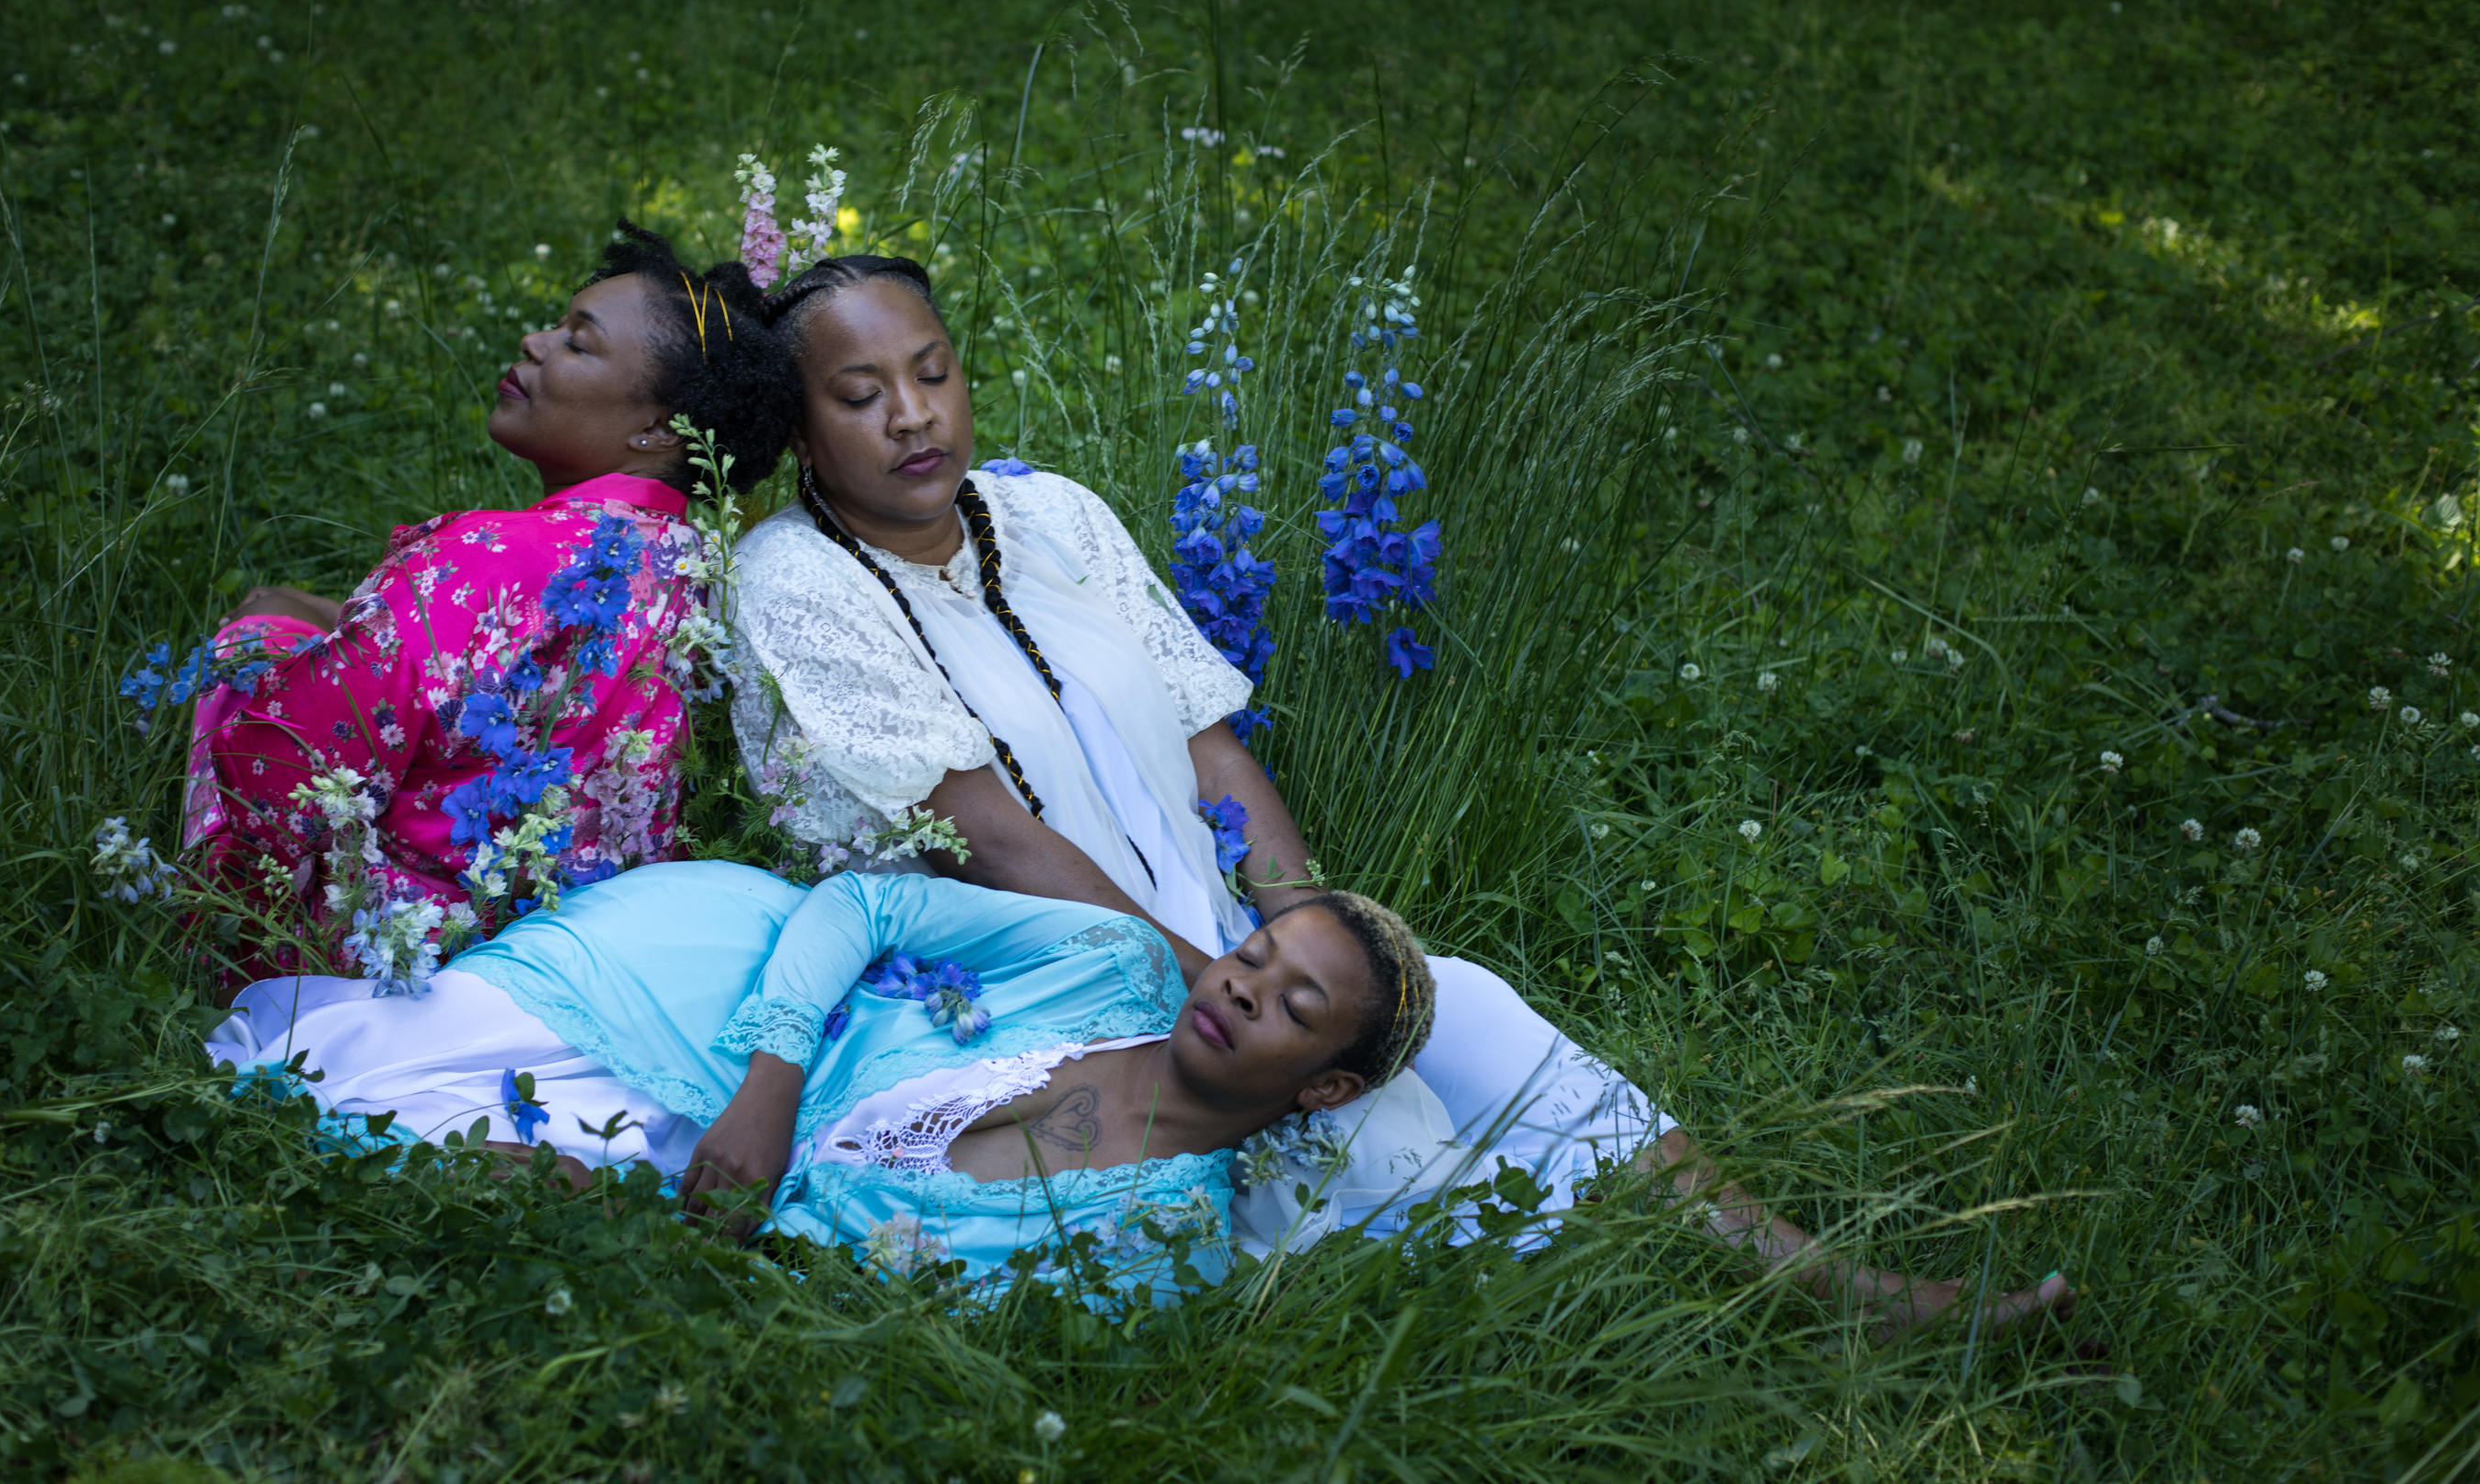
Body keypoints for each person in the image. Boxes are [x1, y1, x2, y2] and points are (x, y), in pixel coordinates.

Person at [717, 254, 2073, 1331]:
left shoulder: (1053, 514)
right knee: (1369, 1165)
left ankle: (1810, 1275)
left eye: (934, 372)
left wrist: (1309, 934)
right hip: (1029, 993)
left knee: (1460, 1003)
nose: (914, 416)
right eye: (861, 395)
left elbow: (1211, 748)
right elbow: (988, 837)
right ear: (799, 430)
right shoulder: (795, 577)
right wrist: (1225, 988)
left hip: (1224, 964)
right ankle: (1582, 1291)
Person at [204, 857, 1437, 1299]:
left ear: (1326, 1089)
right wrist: (773, 1084)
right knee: (347, 1071)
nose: (1241, 988)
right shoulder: (1110, 962)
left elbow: (893, 1310)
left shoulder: (1163, 1240)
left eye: (1295, 1006)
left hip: (713, 1187)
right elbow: (868, 903)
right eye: (1252, 954)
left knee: (463, 1166)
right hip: (731, 994)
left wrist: (645, 1224)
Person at [184, 224, 797, 987]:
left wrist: (230, 923)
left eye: (577, 343)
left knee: (255, 636)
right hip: (590, 952)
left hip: (397, 952)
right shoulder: (699, 574)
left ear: (656, 429)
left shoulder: (488, 558)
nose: (535, 342)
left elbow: (284, 763)